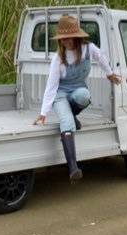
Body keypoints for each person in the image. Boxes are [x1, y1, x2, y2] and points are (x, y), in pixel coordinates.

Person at [33, 14, 121, 182]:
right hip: (60, 94)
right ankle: (73, 168)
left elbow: (101, 58)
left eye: (69, 38)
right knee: (66, 122)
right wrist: (44, 112)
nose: (66, 42)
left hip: (77, 90)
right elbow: (51, 86)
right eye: (63, 39)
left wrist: (109, 74)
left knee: (84, 96)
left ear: (76, 36)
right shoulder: (58, 57)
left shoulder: (88, 48)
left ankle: (72, 114)